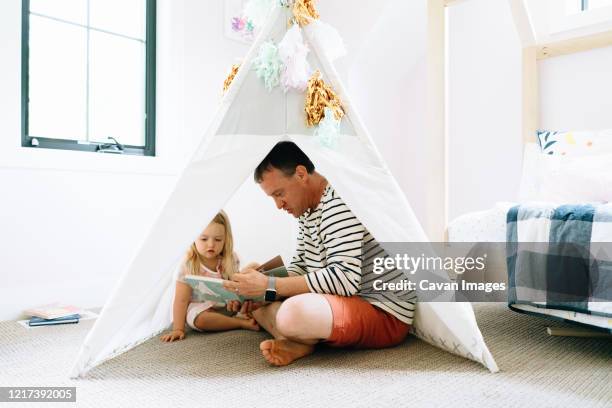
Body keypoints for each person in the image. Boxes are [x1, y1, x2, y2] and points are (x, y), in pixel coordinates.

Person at [223, 141, 417, 366]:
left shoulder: (338, 202)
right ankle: (298, 338)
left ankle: (296, 335)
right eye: (272, 198)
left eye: (279, 193)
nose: (278, 205)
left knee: (291, 313)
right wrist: (256, 288)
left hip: (382, 312)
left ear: (301, 174)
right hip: (345, 300)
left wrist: (270, 286)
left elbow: (344, 279)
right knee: (261, 302)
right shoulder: (307, 209)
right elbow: (301, 265)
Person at [161, 211, 259, 342]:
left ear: (226, 239)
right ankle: (239, 323)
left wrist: (237, 297)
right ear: (194, 238)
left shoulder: (230, 259)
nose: (211, 244)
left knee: (254, 267)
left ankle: (240, 316)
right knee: (199, 319)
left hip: (227, 306)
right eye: (204, 239)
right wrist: (178, 329)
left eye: (218, 239)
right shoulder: (188, 265)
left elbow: (235, 286)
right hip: (202, 309)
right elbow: (181, 300)